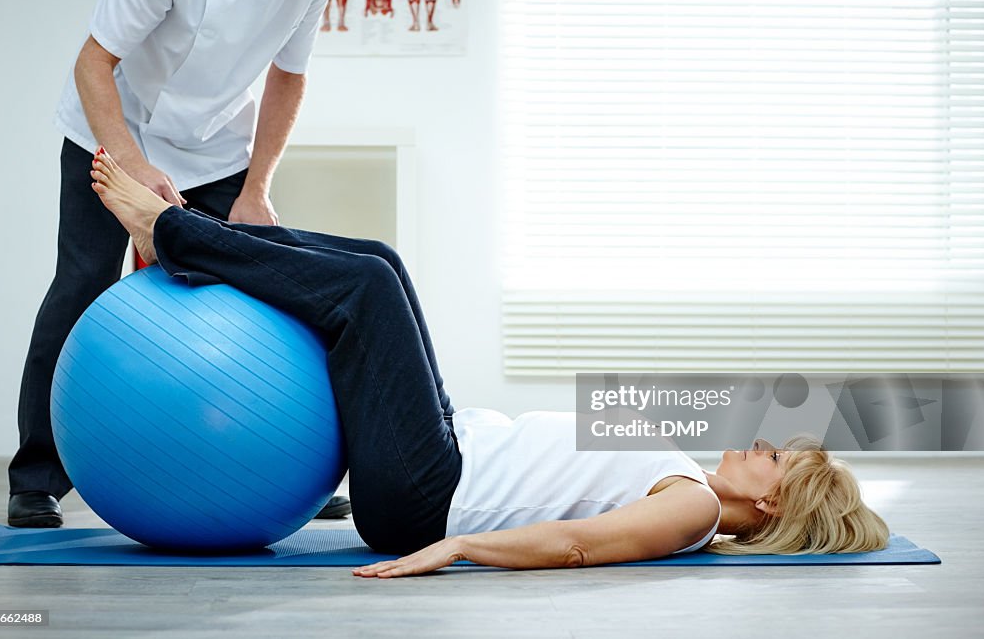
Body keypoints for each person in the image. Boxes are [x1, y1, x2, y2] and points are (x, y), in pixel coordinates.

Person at [87, 147, 891, 576]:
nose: (762, 445)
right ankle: (191, 242)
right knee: (383, 263)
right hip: (444, 450)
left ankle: (177, 234)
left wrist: (461, 549)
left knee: (364, 287)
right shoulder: (694, 485)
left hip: (429, 495)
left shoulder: (695, 511)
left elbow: (579, 543)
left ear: (781, 509)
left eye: (778, 460)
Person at [8, 0, 353, 529]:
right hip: (115, 126)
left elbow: (289, 76)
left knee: (278, 283)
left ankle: (302, 470)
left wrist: (257, 188)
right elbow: (94, 63)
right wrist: (130, 162)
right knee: (82, 283)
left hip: (215, 146)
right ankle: (36, 479)